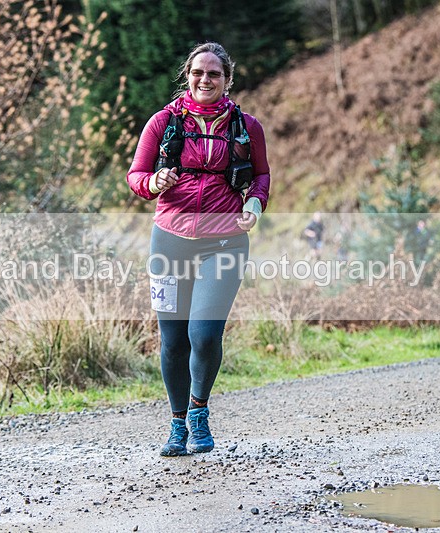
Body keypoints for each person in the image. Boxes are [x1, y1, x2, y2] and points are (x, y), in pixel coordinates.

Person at [126, 43, 270, 456]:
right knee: (173, 340)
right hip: (169, 241)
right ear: (186, 76)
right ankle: (176, 425)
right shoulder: (163, 122)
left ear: (227, 79)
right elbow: (136, 174)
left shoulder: (247, 127)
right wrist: (154, 183)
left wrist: (254, 205)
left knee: (203, 334)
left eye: (214, 74)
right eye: (197, 73)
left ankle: (198, 411)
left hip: (224, 241)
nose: (204, 80)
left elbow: (261, 175)